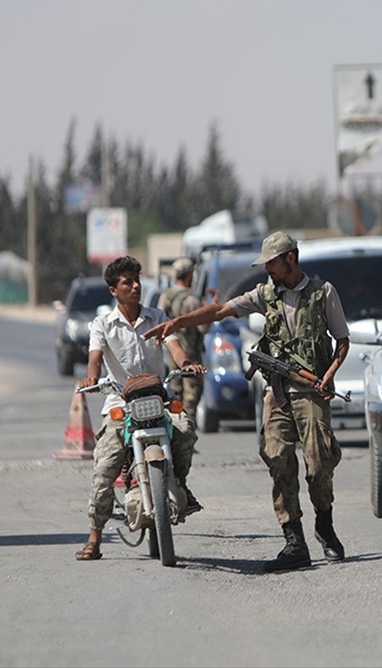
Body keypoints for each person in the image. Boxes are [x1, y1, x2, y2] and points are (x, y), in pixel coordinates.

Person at [144, 231, 349, 573]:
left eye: (272, 263)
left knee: (319, 465)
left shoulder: (322, 293)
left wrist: (329, 374)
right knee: (278, 461)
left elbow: (342, 340)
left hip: (312, 393)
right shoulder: (265, 294)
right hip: (277, 393)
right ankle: (294, 542)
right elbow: (221, 310)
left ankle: (324, 525)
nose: (268, 269)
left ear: (291, 259)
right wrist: (177, 323)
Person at [75, 255, 205, 562]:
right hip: (121, 400)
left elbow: (175, 348)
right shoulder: (102, 324)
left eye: (137, 280)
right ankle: (94, 536)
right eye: (127, 282)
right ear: (113, 290)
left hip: (158, 397)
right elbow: (94, 358)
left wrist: (186, 364)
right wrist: (92, 377)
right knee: (104, 466)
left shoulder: (157, 315)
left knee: (185, 430)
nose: (135, 286)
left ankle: (179, 484)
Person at [157, 257, 206, 419]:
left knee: (174, 394)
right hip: (190, 356)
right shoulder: (191, 300)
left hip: (171, 354)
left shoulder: (165, 296)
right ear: (189, 275)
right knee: (192, 396)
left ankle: (176, 424)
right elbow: (204, 328)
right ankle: (187, 427)